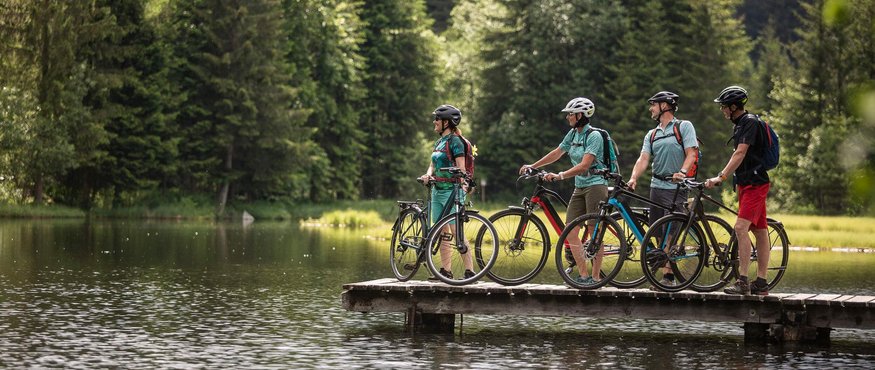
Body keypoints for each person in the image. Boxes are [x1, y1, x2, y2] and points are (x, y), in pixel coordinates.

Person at [519, 97, 610, 286]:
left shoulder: (594, 136)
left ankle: (595, 278)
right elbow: (557, 152)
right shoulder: (573, 134)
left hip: (596, 185)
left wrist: (559, 176)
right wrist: (533, 166)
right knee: (569, 231)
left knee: (594, 231)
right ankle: (583, 276)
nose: (568, 117)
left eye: (570, 113)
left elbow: (585, 165)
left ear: (581, 115)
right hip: (580, 186)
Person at [627, 91, 699, 287]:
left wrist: (682, 172)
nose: (651, 108)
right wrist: (633, 178)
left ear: (665, 106)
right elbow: (643, 159)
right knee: (658, 232)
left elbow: (692, 153)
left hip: (676, 187)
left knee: (671, 232)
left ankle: (668, 276)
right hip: (656, 186)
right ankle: (664, 271)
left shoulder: (683, 126)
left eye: (654, 104)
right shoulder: (652, 134)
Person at [704, 86, 771, 295]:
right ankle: (761, 283)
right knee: (760, 231)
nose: (722, 110)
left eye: (724, 106)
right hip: (746, 183)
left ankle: (742, 281)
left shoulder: (749, 122)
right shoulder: (739, 125)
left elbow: (740, 153)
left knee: (741, 228)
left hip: (755, 184)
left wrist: (720, 177)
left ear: (734, 107)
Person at [419, 104, 474, 280]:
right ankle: (445, 271)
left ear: (447, 123)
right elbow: (433, 164)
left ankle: (469, 271)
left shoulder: (455, 142)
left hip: (453, 191)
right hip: (437, 191)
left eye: (437, 119)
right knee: (443, 232)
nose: (434, 121)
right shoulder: (439, 142)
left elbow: (461, 168)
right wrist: (428, 175)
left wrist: (464, 185)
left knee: (457, 232)